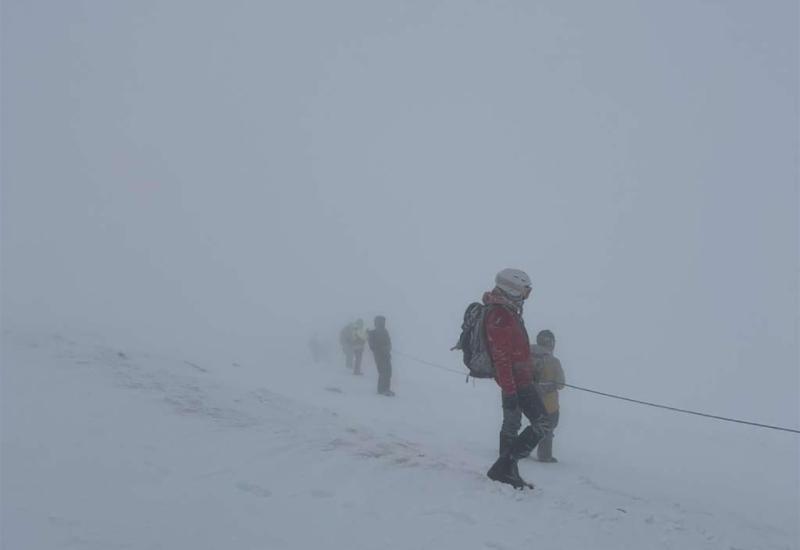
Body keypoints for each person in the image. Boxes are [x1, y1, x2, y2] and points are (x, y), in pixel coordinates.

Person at [483, 268, 549, 489]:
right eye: (525, 290)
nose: (526, 296)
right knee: (542, 422)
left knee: (514, 424)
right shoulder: (500, 315)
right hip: (516, 382)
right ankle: (504, 467)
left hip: (519, 378)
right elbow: (502, 358)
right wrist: (511, 391)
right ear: (513, 288)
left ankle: (507, 470)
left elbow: (514, 352)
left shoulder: (508, 311)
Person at [531, 330, 565, 462]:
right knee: (548, 428)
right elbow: (561, 383)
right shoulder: (554, 362)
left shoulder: (528, 355)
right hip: (550, 405)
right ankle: (545, 456)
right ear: (551, 344)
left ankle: (523, 448)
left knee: (535, 426)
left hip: (530, 401)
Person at [368, 315, 394, 396]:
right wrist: (381, 348)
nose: (383, 323)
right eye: (381, 321)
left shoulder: (385, 331)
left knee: (388, 372)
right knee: (383, 372)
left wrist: (388, 347)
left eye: (383, 321)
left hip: (386, 355)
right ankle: (381, 390)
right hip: (379, 356)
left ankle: (386, 389)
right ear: (377, 322)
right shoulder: (373, 333)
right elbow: (372, 346)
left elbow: (389, 342)